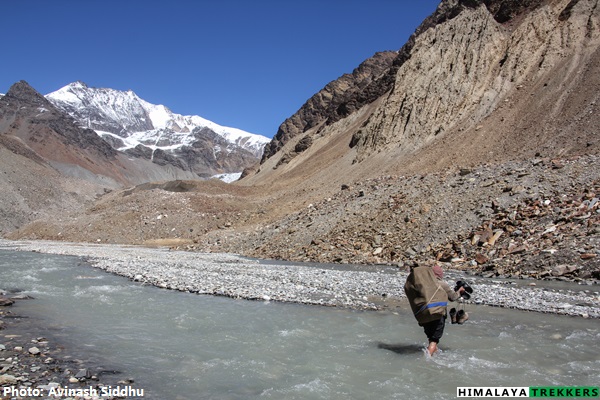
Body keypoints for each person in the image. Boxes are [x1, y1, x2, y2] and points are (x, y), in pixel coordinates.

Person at [404, 263, 465, 356]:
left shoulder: (420, 284)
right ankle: (427, 359)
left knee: (430, 337)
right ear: (439, 275)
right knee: (434, 340)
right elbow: (453, 297)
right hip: (437, 314)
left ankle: (434, 354)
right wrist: (460, 291)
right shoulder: (441, 284)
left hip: (423, 315)